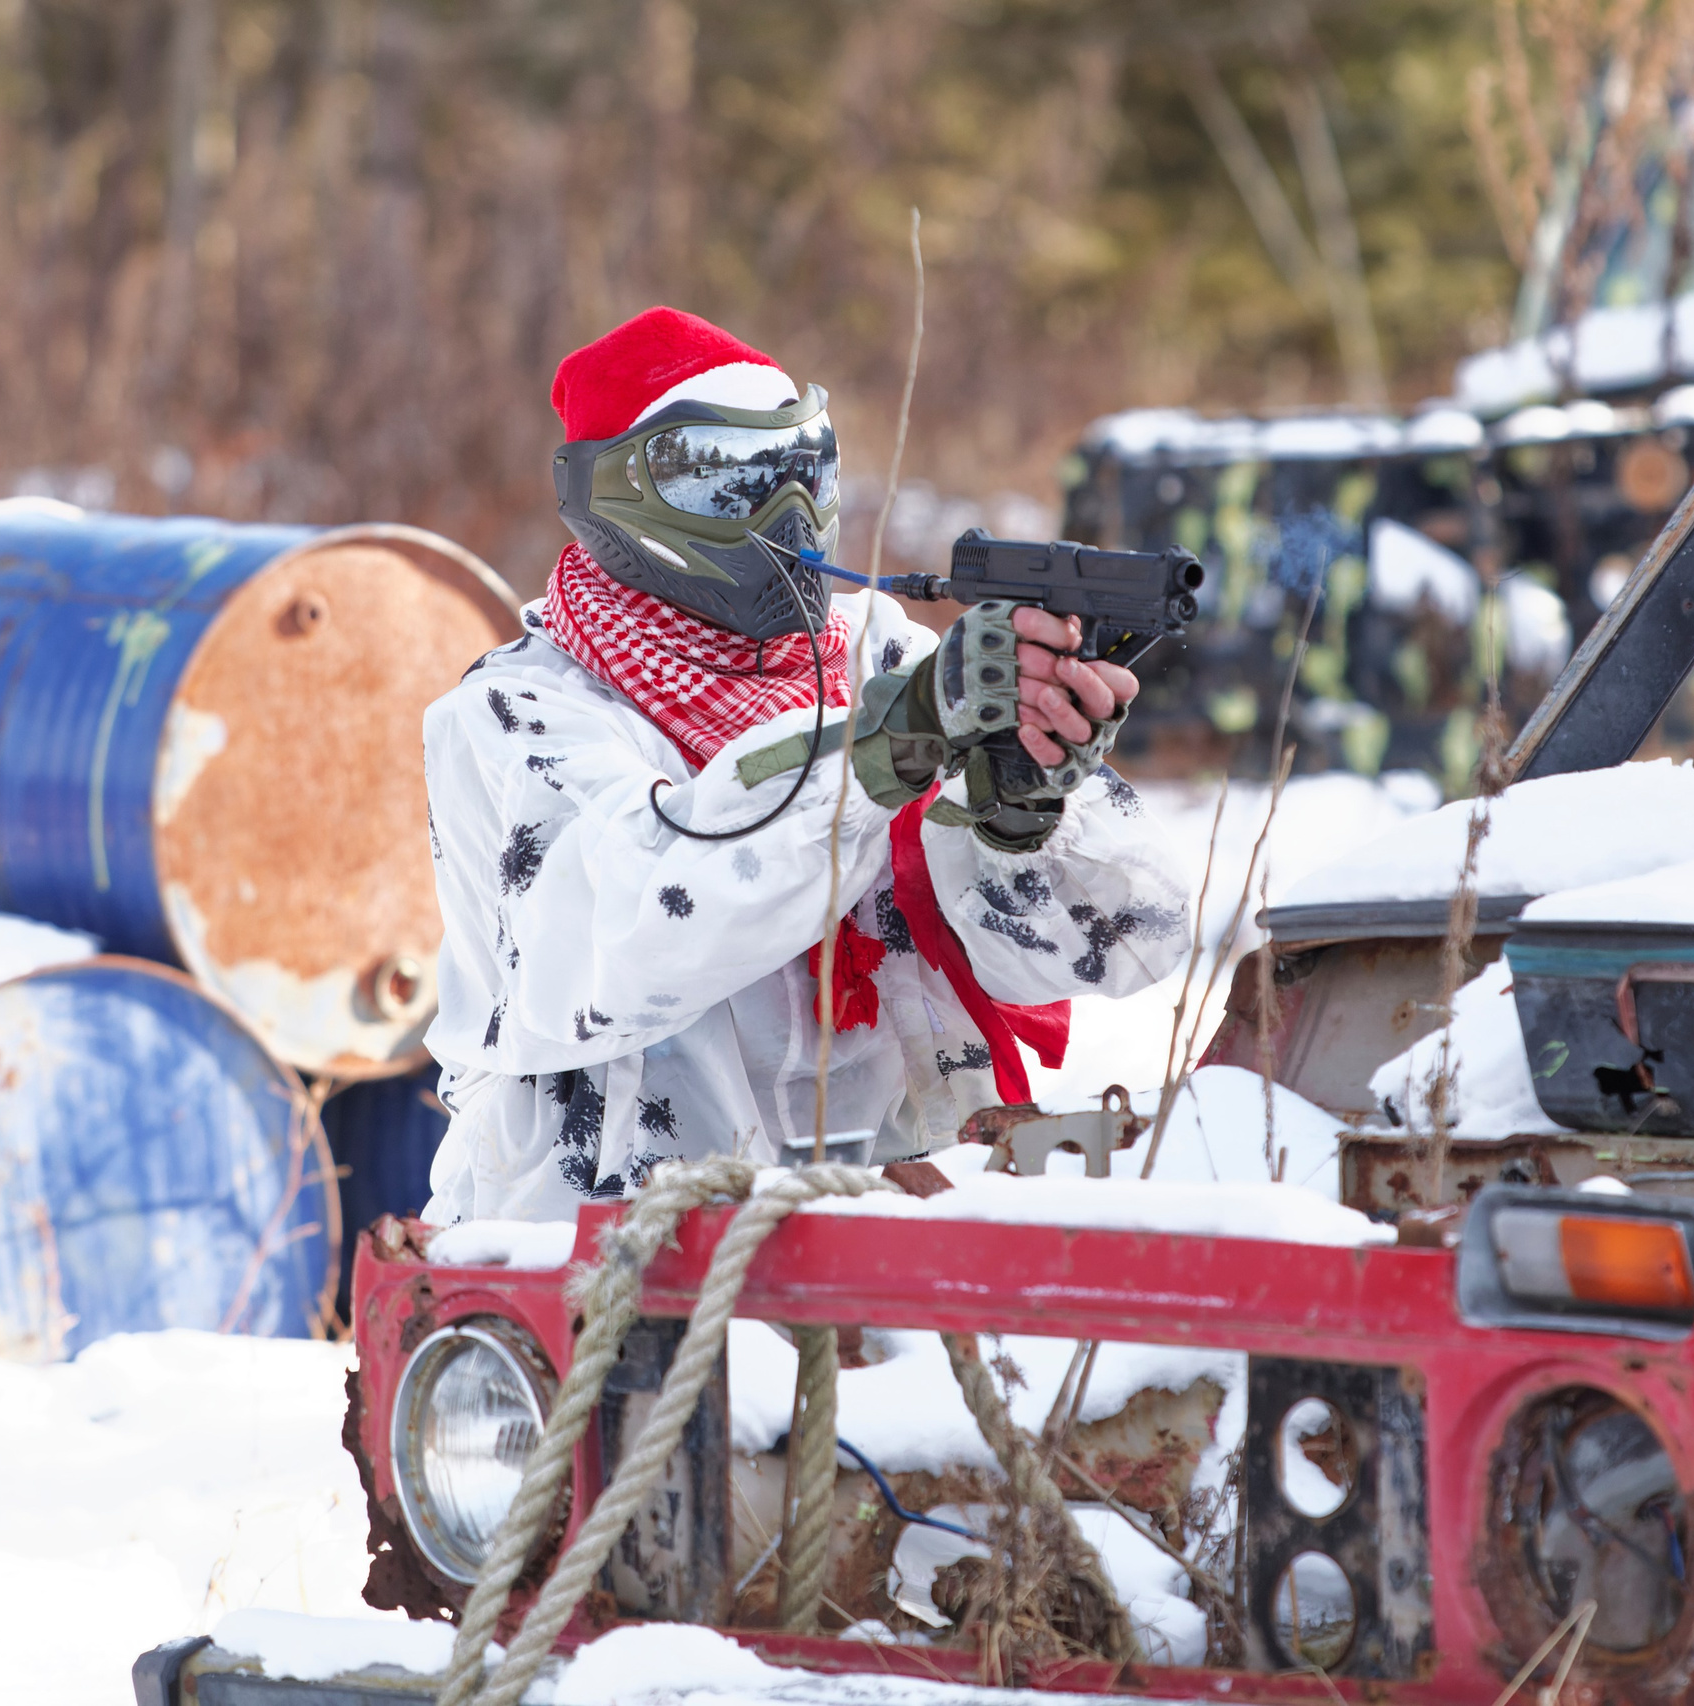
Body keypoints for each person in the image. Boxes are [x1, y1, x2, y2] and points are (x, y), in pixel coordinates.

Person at [420, 307, 1192, 1223]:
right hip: (612, 1244)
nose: (785, 513)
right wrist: (879, 752)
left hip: (887, 1220)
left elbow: (1134, 942)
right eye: (724, 481)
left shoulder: (881, 662)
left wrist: (1021, 814)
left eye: (803, 470)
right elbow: (635, 937)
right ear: (615, 492)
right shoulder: (517, 716)